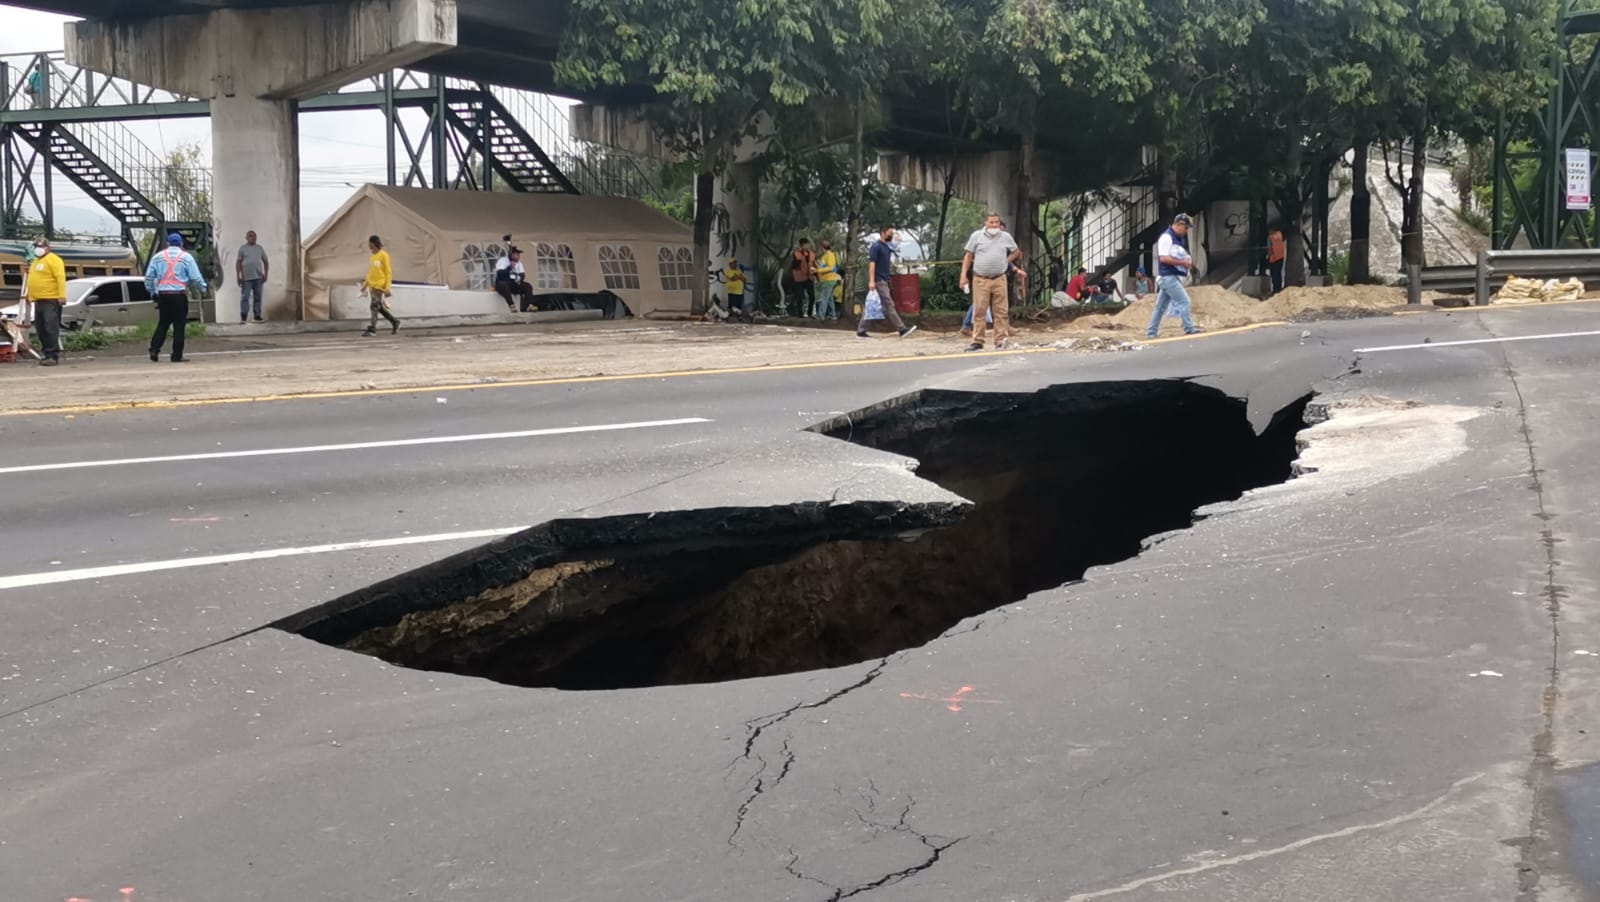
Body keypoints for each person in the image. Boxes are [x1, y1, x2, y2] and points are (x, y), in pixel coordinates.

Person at [959, 212, 1023, 351]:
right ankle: (977, 341)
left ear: (1000, 224)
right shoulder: (976, 236)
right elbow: (968, 255)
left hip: (999, 278)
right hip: (981, 278)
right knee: (979, 311)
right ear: (986, 223)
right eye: (991, 222)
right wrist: (963, 276)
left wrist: (1006, 261)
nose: (994, 225)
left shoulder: (1005, 237)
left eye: (996, 223)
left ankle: (1001, 340)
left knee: (1001, 311)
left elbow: (1016, 251)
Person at [144, 233, 207, 363]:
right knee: (179, 326)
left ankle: (154, 349)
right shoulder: (186, 257)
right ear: (181, 244)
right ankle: (176, 355)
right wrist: (203, 289)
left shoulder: (157, 257)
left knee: (163, 323)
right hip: (179, 295)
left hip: (163, 295)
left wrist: (152, 292)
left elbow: (149, 278)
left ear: (168, 243)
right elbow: (195, 277)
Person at [1146, 213, 1204, 338]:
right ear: (1180, 225)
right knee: (1185, 301)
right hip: (1169, 277)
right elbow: (1164, 259)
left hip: (1170, 277)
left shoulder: (1176, 239)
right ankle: (1189, 328)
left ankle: (1151, 333)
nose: (1186, 231)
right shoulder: (1167, 238)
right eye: (1186, 228)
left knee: (1160, 307)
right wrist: (1183, 263)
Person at [856, 227, 917, 338]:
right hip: (878, 280)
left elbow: (896, 244)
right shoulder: (877, 247)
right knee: (889, 304)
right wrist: (871, 281)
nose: (891, 235)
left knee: (872, 306)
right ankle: (902, 329)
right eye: (889, 233)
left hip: (884, 280)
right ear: (882, 233)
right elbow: (872, 265)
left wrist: (898, 238)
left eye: (892, 233)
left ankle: (861, 330)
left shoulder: (887, 247)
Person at [22, 237, 66, 366]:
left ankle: (53, 355)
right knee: (41, 329)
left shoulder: (54, 260)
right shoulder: (36, 261)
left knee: (50, 328)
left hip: (51, 300)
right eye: (36, 247)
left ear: (48, 248)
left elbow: (60, 278)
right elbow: (34, 279)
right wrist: (30, 296)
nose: (38, 249)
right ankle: (46, 353)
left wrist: (62, 296)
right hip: (38, 300)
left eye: (41, 247)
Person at [362, 234, 401, 336]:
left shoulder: (384, 255)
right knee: (379, 308)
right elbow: (370, 273)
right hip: (372, 287)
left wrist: (387, 287)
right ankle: (395, 322)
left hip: (380, 286)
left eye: (370, 243)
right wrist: (365, 285)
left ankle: (372, 329)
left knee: (374, 306)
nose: (369, 245)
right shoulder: (373, 257)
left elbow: (388, 272)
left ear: (374, 243)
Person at [236, 229, 268, 322]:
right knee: (245, 297)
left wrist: (266, 274)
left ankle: (257, 315)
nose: (253, 238)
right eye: (250, 236)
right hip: (246, 278)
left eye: (254, 236)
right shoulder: (243, 249)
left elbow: (265, 261)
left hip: (258, 277)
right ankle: (244, 315)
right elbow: (238, 262)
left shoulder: (259, 248)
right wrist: (238, 276)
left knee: (258, 297)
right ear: (247, 238)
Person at [494, 246, 535, 312]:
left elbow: (522, 275)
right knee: (503, 285)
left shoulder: (519, 263)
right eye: (517, 254)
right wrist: (510, 267)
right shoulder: (503, 261)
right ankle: (512, 306)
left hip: (513, 283)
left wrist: (519, 278)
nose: (519, 256)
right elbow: (500, 274)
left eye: (519, 254)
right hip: (502, 282)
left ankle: (529, 305)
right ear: (511, 254)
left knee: (528, 286)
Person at [788, 238, 817, 318]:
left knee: (812, 296)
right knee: (800, 296)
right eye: (804, 245)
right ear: (801, 246)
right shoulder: (796, 254)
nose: (806, 246)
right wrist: (799, 260)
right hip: (799, 279)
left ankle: (810, 313)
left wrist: (816, 275)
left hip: (809, 278)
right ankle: (800, 314)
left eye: (807, 245)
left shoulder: (812, 254)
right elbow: (793, 265)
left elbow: (814, 265)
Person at [814, 240, 841, 319]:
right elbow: (824, 267)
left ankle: (820, 315)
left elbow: (831, 267)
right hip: (826, 279)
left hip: (829, 279)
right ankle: (832, 314)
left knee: (824, 297)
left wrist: (818, 270)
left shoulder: (829, 255)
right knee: (829, 298)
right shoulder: (825, 256)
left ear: (822, 247)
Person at [1267, 227, 1287, 295]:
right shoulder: (1279, 234)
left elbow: (1269, 249)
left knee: (1274, 275)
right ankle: (1279, 288)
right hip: (1281, 257)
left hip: (1273, 258)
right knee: (1279, 274)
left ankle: (1275, 289)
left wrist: (1268, 257)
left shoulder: (1270, 238)